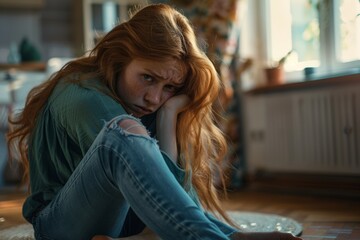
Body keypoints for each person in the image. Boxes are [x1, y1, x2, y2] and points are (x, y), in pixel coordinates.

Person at [7, 3, 303, 240]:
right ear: (120, 59)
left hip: (124, 221)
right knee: (122, 131)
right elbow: (158, 193)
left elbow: (170, 197)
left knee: (134, 139)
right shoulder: (80, 94)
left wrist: (169, 115)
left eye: (169, 88)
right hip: (60, 227)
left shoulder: (151, 104)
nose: (153, 97)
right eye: (147, 78)